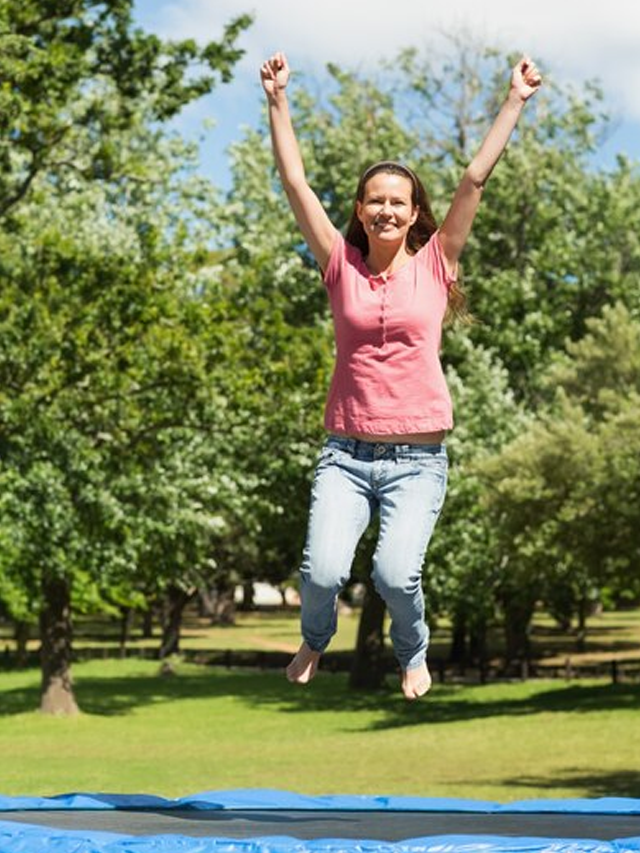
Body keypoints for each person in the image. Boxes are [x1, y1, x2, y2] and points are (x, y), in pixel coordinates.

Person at [260, 50, 541, 699]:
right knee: (323, 571)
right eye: (375, 201)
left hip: (418, 460)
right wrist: (278, 99)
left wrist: (515, 100)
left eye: (399, 202)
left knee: (394, 576)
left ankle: (412, 653)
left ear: (415, 213)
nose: (387, 210)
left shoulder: (438, 264)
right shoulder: (339, 266)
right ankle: (315, 636)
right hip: (346, 454)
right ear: (360, 209)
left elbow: (472, 180)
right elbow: (297, 183)